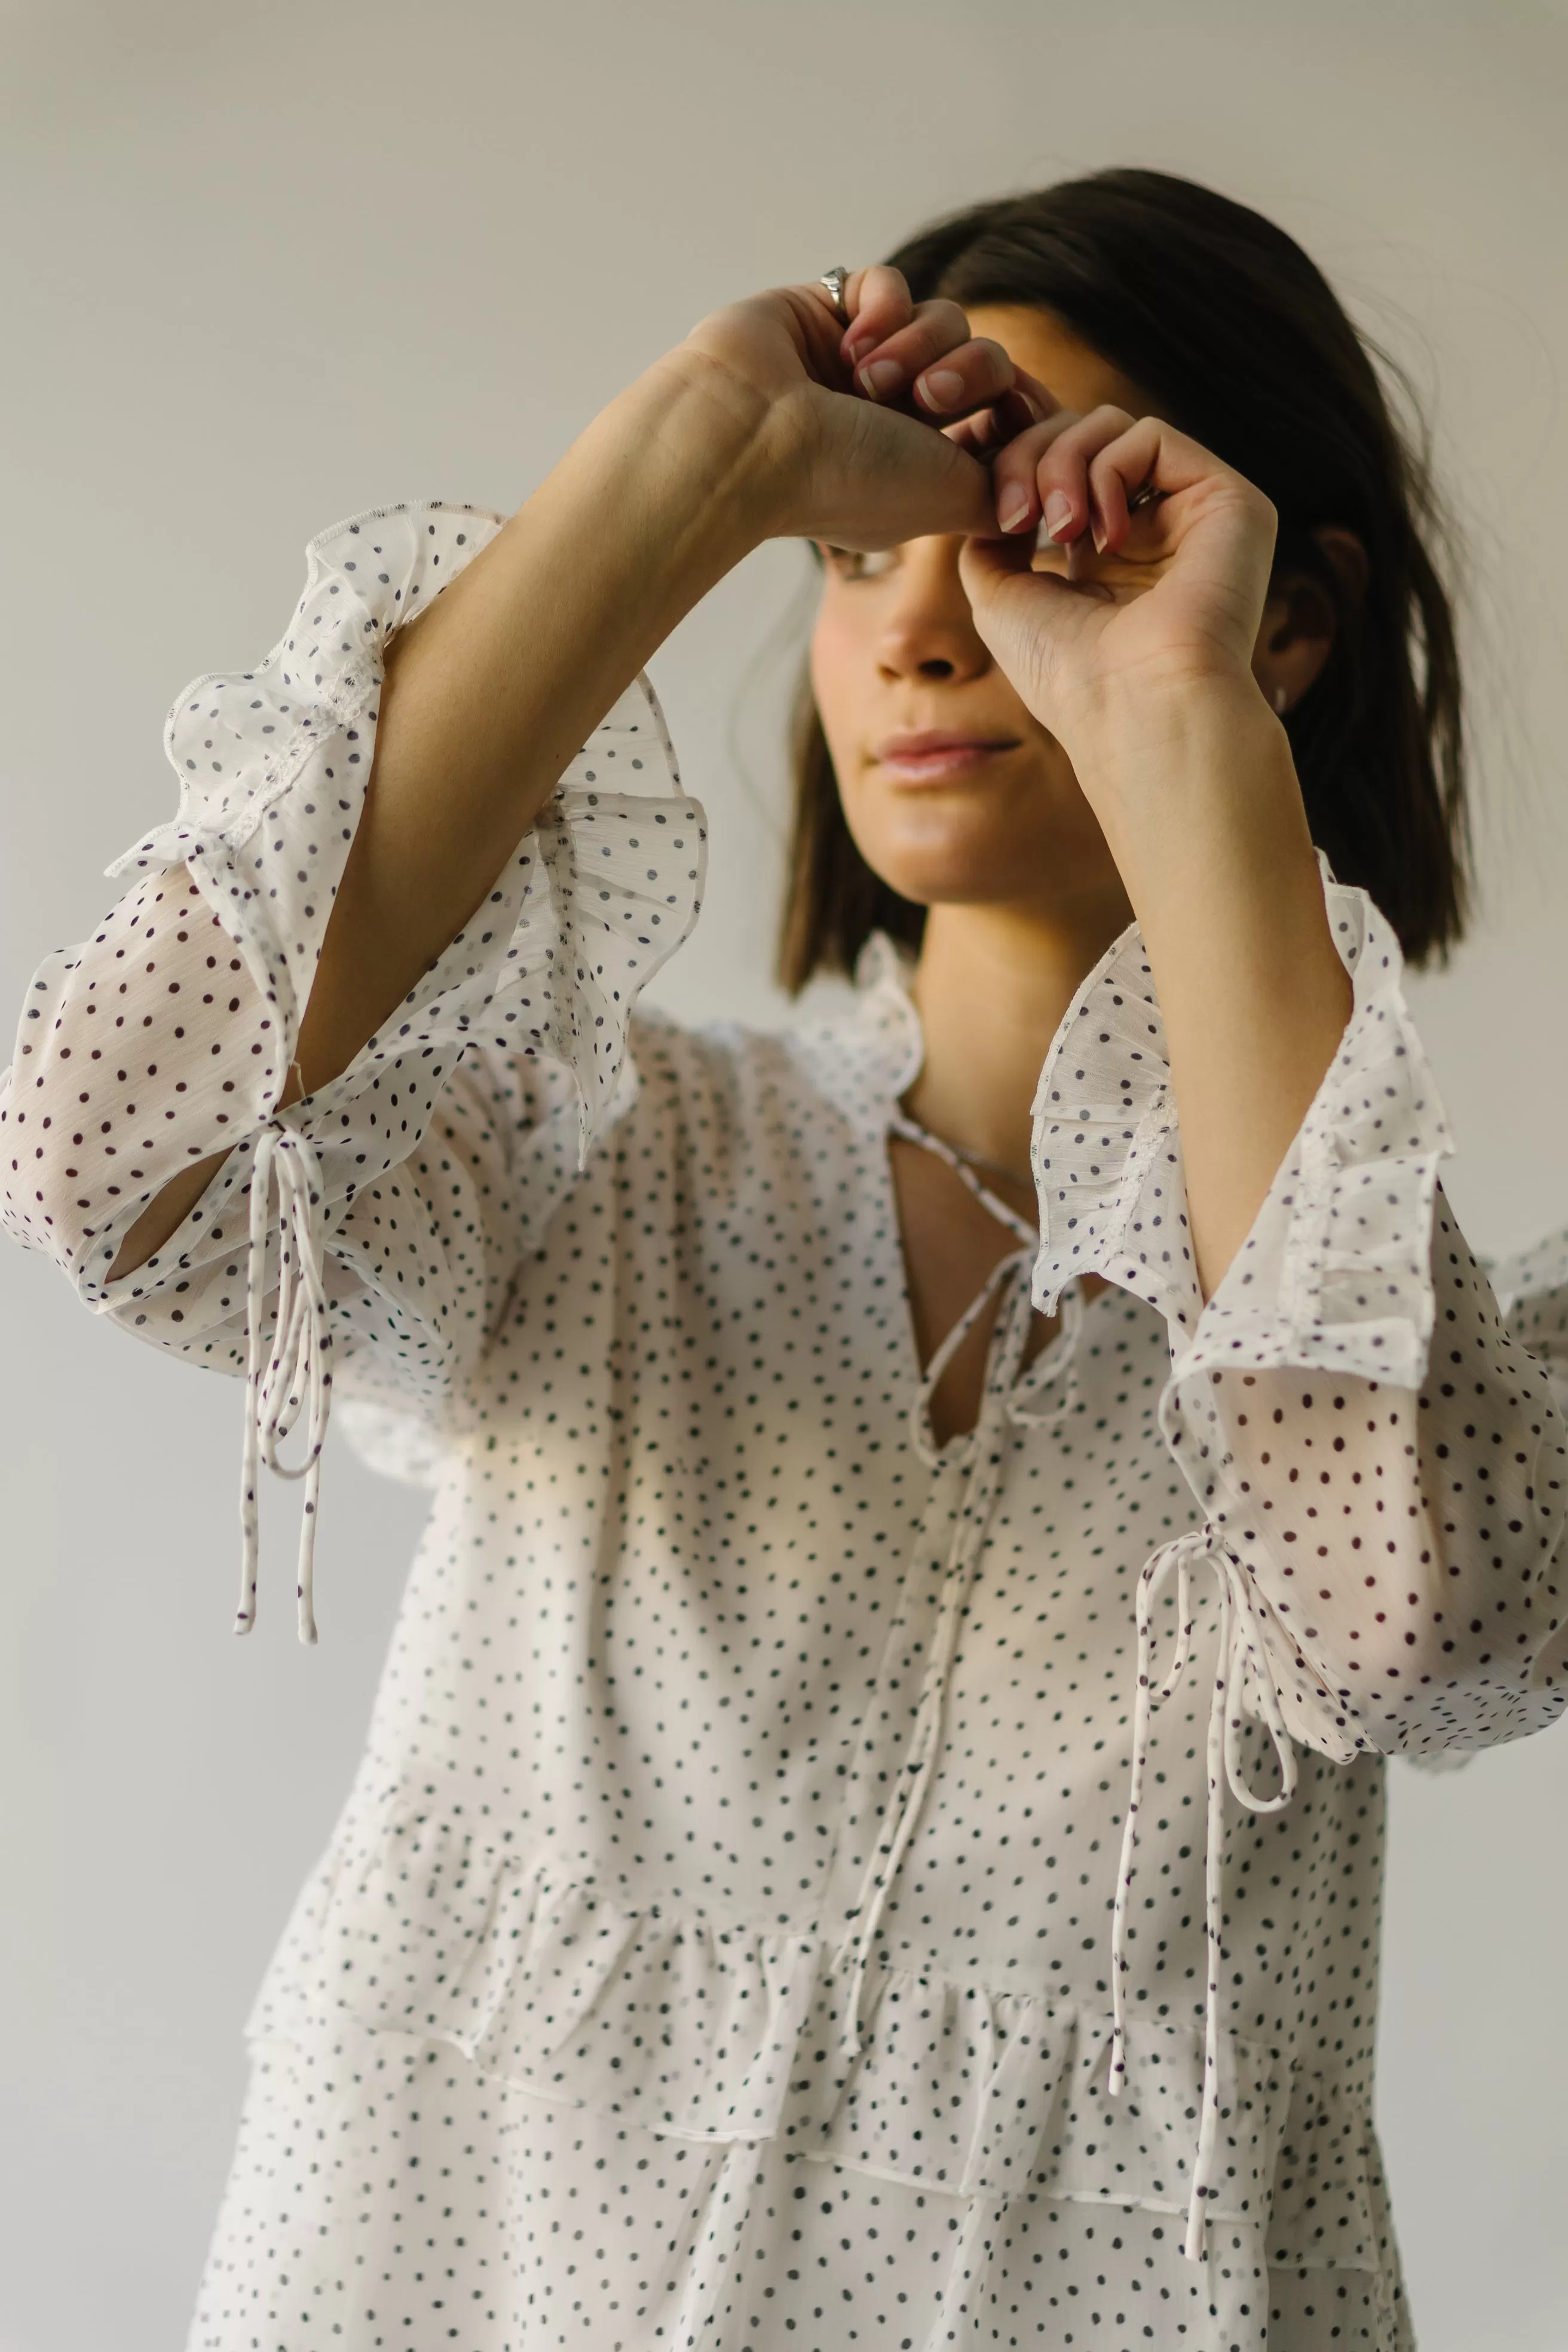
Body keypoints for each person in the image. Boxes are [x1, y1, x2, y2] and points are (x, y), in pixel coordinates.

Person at [4, 168, 1566, 2352]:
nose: (919, 624)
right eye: (850, 549)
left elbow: (1422, 1631)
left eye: (1024, 526)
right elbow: (109, 1155)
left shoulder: (1408, 1361)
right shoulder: (598, 1167)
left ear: (1288, 613)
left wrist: (1180, 717)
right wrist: (686, 469)